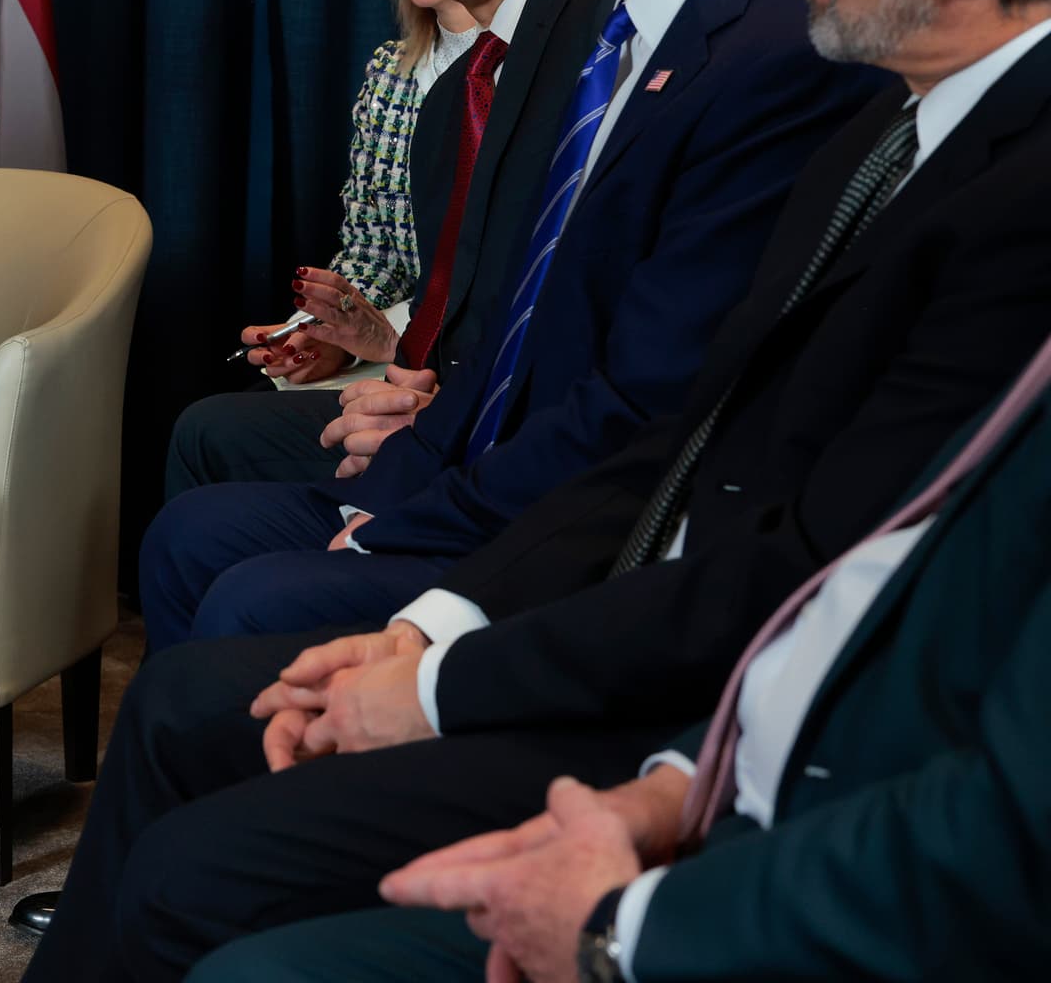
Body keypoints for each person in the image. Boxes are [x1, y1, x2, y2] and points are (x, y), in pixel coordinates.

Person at [19, 0, 1051, 977]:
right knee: (196, 697)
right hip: (646, 628)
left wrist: (454, 669)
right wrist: (443, 610)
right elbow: (683, 425)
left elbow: (772, 535)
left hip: (703, 695)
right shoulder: (871, 132)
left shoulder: (924, 144)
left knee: (211, 847)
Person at [141, 0, 886, 651]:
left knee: (250, 598)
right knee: (191, 539)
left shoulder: (776, 45)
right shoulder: (605, 33)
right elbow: (507, 324)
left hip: (596, 542)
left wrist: (404, 523)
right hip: (491, 468)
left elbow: (650, 406)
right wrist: (403, 481)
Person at [199, 329, 1051, 983]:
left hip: (791, 854)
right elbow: (850, 581)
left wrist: (623, 928)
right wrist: (673, 789)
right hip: (714, 754)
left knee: (228, 903)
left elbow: (1001, 841)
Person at [165, 0, 612, 500]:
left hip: (519, 429)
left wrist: (409, 379)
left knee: (211, 518)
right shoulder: (426, 89)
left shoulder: (597, 39)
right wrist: (328, 334)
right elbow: (378, 259)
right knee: (206, 440)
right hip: (437, 384)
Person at [236, 0, 483, 396]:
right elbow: (374, 256)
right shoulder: (390, 74)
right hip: (398, 366)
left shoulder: (544, 62)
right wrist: (328, 333)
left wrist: (392, 338)